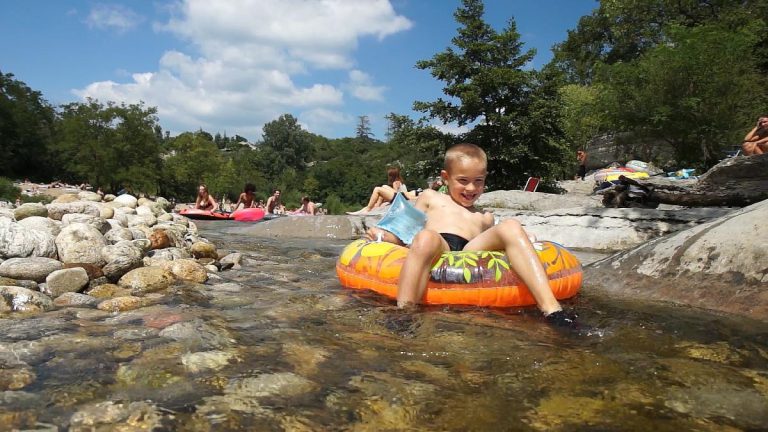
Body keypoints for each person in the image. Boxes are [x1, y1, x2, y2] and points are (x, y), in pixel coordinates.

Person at [365, 143, 576, 327]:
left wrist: (522, 235)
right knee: (425, 237)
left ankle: (553, 311)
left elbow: (494, 243)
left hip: (469, 249)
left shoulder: (485, 216)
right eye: (463, 180)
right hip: (439, 243)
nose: (471, 188)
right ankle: (405, 313)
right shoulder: (430, 197)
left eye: (478, 181)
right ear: (446, 178)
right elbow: (408, 231)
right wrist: (384, 237)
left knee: (511, 225)